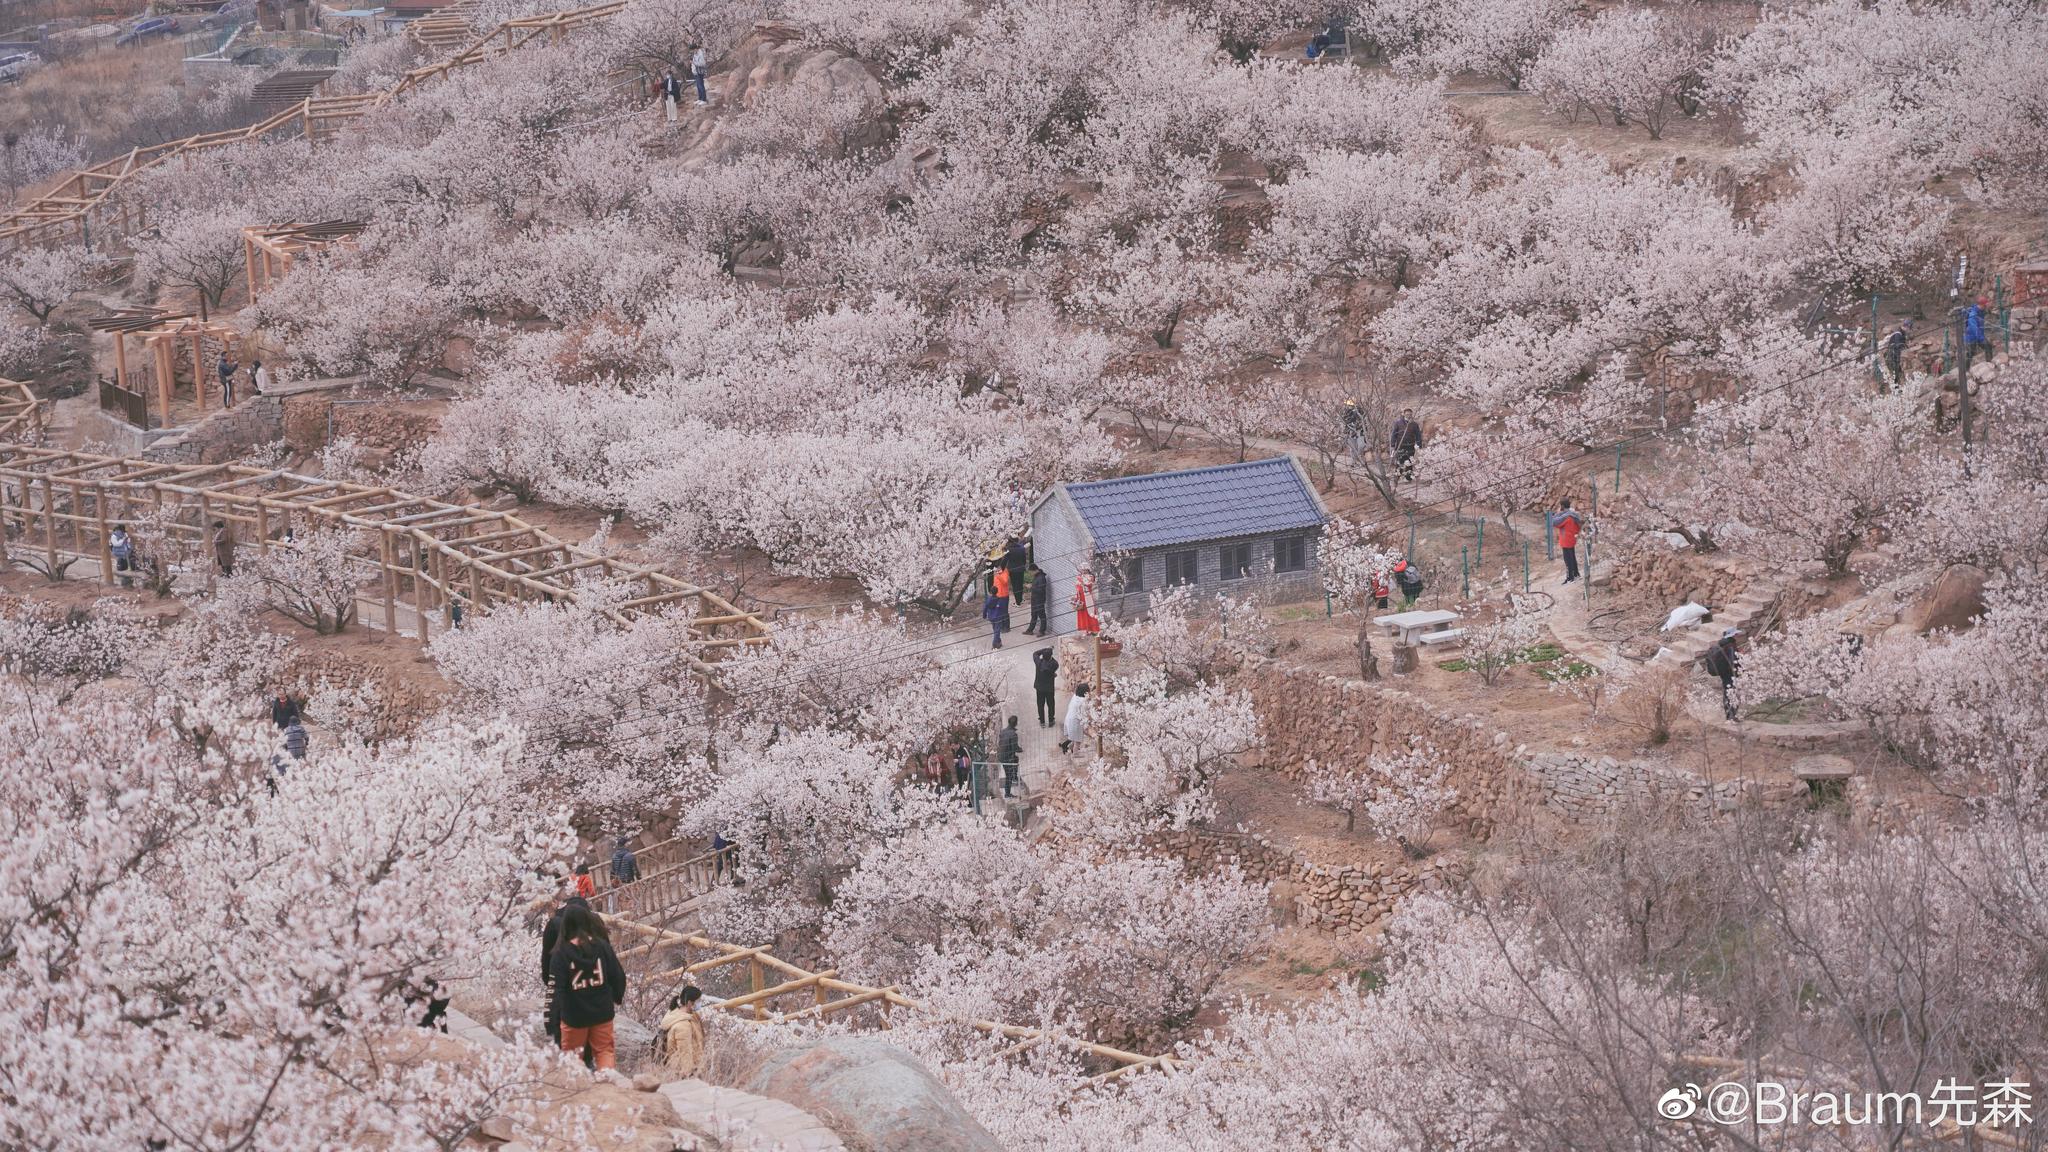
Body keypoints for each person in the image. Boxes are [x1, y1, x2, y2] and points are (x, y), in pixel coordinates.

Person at [547, 905, 626, 1072]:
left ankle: (578, 1090)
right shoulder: (602, 946)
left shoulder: (561, 954)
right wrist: (617, 997)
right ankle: (608, 1084)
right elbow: (617, 974)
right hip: (602, 1011)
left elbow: (556, 990)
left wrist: (553, 1020)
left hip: (574, 1016)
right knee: (604, 1051)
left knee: (572, 1056)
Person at [539, 893, 590, 1047]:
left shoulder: (554, 924)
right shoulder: (593, 925)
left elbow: (546, 960)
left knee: (556, 1033)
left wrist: (550, 981)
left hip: (559, 987)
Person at [654, 986, 707, 1076]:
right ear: (690, 1003)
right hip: (685, 1071)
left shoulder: (688, 1014)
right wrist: (688, 1075)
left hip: (695, 1065)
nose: (700, 1003)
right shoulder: (683, 1025)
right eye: (698, 1001)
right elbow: (685, 1053)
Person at [1703, 627, 1741, 721]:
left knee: (1727, 692)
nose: (1737, 636)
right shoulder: (1731, 645)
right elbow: (1733, 661)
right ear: (1732, 635)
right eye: (1735, 634)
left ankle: (1729, 714)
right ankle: (1731, 716)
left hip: (1724, 673)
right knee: (1731, 693)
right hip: (1730, 673)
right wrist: (1738, 670)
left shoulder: (1723, 644)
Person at [1549, 499, 1584, 585]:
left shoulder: (1566, 517)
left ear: (1563, 506)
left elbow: (1554, 522)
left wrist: (1558, 513)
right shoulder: (1573, 515)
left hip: (1566, 540)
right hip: (1572, 538)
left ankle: (1570, 578)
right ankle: (1576, 574)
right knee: (1572, 557)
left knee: (1567, 559)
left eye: (1560, 506)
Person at [1390, 408, 1423, 480]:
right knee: (1400, 461)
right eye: (1407, 414)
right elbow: (1393, 434)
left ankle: (1408, 478)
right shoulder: (1398, 423)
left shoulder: (1414, 424)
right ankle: (1397, 477)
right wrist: (1392, 445)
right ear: (1404, 414)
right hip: (1400, 445)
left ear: (1412, 415)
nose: (1408, 415)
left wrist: (1419, 445)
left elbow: (1418, 435)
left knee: (1410, 461)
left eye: (1410, 414)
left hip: (1410, 445)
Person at [1059, 681, 1091, 754]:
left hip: (1069, 718)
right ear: (1085, 692)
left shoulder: (1075, 696)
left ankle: (1070, 748)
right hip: (1075, 721)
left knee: (1074, 737)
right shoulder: (1083, 701)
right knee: (1077, 740)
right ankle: (1075, 754)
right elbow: (1084, 713)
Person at [1032, 647, 1060, 727]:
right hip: (1049, 689)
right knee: (1051, 704)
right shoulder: (1054, 664)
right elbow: (1054, 665)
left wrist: (1044, 649)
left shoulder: (1038, 663)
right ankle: (1051, 720)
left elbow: (1035, 653)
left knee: (1040, 704)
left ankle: (1042, 722)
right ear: (1051, 656)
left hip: (1039, 688)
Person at [1964, 296, 1996, 362]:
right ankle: (1966, 370)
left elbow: (1986, 311)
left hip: (1978, 335)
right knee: (1970, 355)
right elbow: (1974, 329)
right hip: (1971, 337)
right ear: (1982, 305)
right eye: (1985, 305)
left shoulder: (1981, 311)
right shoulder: (1973, 314)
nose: (1986, 307)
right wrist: (1982, 338)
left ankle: (1989, 363)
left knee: (1988, 346)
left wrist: (1990, 310)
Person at [996, 714, 1021, 798]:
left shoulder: (1002, 731)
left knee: (1016, 759)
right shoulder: (1013, 734)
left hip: (1001, 755)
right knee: (1008, 774)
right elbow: (1015, 747)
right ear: (1016, 723)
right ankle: (1007, 793)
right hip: (1007, 757)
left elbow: (1000, 743)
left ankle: (1014, 777)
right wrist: (1020, 749)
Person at [1024, 563, 1051, 635]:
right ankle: (1030, 630)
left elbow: (1041, 590)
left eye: (1031, 572)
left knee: (1041, 615)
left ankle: (1042, 631)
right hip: (1034, 598)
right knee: (1034, 614)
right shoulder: (1036, 576)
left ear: (1035, 570)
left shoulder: (1041, 578)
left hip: (1040, 599)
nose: (1030, 574)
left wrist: (1031, 587)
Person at [1882, 320, 1910, 388]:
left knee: (1898, 373)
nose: (1909, 330)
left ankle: (1900, 388)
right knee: (1895, 374)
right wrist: (1904, 345)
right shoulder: (1898, 334)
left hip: (1895, 357)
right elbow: (1898, 345)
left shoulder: (1901, 334)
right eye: (1909, 328)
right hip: (1892, 357)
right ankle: (1896, 389)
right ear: (1906, 327)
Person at [1004, 536, 1028, 605]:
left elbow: (1005, 560)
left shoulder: (1009, 549)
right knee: (1020, 584)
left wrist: (1002, 569)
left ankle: (1018, 602)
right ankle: (1020, 599)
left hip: (1012, 570)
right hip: (1021, 568)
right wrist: (1023, 565)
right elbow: (1024, 559)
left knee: (1015, 586)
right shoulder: (1022, 548)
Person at [1340, 399, 1366, 464]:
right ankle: (1353, 462)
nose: (1349, 406)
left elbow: (1363, 419)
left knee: (1361, 446)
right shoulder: (1345, 412)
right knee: (1353, 448)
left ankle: (1360, 460)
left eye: (1350, 405)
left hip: (1360, 431)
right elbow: (1344, 421)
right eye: (1348, 405)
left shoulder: (1360, 410)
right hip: (1350, 431)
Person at [109, 522, 134, 588]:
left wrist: (127, 542)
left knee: (127, 564)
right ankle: (124, 580)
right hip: (119, 552)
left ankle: (128, 580)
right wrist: (123, 540)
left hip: (125, 551)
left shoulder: (124, 534)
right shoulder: (114, 536)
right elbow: (116, 544)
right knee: (121, 565)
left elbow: (128, 541)